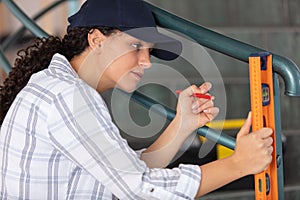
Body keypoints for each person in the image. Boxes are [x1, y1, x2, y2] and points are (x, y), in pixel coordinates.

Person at [0, 0, 274, 199]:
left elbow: (123, 173)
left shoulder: (60, 86)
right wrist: (238, 164)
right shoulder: (68, 96)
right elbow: (139, 189)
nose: (146, 62)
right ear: (96, 40)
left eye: (150, 51)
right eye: (135, 46)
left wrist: (182, 124)